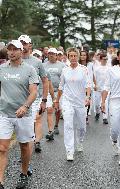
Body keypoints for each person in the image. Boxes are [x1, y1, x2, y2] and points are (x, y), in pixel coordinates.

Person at [0, 40, 38, 189]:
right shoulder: (2, 68)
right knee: (2, 147)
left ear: (21, 51)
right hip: (4, 113)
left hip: (24, 114)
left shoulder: (29, 69)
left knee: (24, 146)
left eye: (15, 49)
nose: (11, 52)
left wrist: (25, 106)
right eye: (9, 49)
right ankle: (1, 181)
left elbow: (34, 91)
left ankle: (24, 173)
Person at [54, 47, 91, 161]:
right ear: (68, 57)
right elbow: (61, 87)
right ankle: (69, 151)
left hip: (80, 102)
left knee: (81, 127)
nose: (73, 58)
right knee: (68, 125)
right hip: (67, 101)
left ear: (78, 57)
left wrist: (87, 97)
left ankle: (79, 142)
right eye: (71, 56)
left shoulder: (84, 69)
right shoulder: (65, 70)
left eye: (75, 56)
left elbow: (88, 85)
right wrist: (56, 100)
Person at [18, 35, 49, 153]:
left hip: (35, 98)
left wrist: (44, 101)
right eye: (21, 43)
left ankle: (36, 142)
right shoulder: (14, 60)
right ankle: (25, 151)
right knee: (23, 128)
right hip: (19, 99)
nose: (23, 46)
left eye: (25, 43)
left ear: (30, 45)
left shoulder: (37, 62)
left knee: (35, 120)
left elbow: (45, 81)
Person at [101, 49, 120, 166]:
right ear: (118, 57)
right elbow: (106, 87)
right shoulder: (111, 70)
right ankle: (114, 140)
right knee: (115, 128)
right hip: (114, 101)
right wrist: (103, 102)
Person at [43, 48, 65, 140]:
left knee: (58, 110)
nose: (51, 55)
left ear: (56, 55)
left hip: (59, 91)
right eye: (50, 53)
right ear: (47, 55)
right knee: (50, 109)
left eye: (53, 54)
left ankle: (56, 125)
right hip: (48, 91)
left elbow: (64, 79)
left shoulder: (62, 65)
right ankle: (50, 131)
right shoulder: (43, 65)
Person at [93, 52, 109, 124]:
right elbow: (93, 77)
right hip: (98, 89)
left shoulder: (109, 68)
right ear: (100, 59)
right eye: (104, 59)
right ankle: (97, 113)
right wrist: (95, 85)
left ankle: (105, 117)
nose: (105, 60)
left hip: (105, 89)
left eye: (106, 59)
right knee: (96, 104)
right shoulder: (97, 68)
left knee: (105, 103)